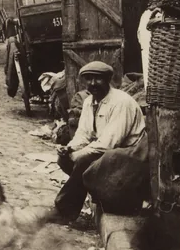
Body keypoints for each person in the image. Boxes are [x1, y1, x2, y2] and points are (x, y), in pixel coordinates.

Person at [54, 61, 146, 222]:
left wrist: (79, 154)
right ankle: (99, 193)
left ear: (108, 79)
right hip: (110, 153)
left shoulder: (121, 102)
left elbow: (110, 142)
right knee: (65, 159)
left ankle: (64, 210)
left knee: (83, 161)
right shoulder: (90, 101)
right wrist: (69, 149)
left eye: (98, 79)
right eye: (88, 79)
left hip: (131, 156)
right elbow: (84, 134)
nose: (93, 83)